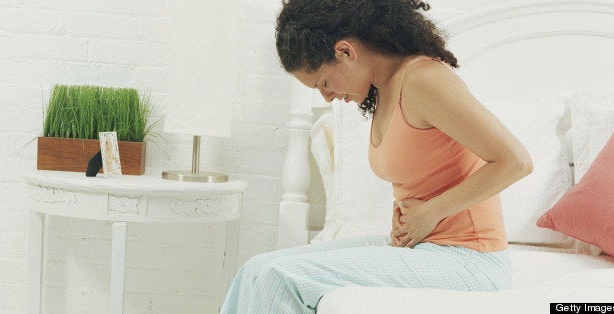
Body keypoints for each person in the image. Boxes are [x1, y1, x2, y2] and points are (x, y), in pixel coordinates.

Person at [221, 0, 533, 313]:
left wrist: (431, 212)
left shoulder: (424, 79)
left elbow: (515, 162)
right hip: (425, 248)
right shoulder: (385, 88)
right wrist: (406, 215)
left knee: (279, 278)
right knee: (256, 269)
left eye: (324, 83)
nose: (327, 96)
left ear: (345, 52)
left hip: (469, 260)